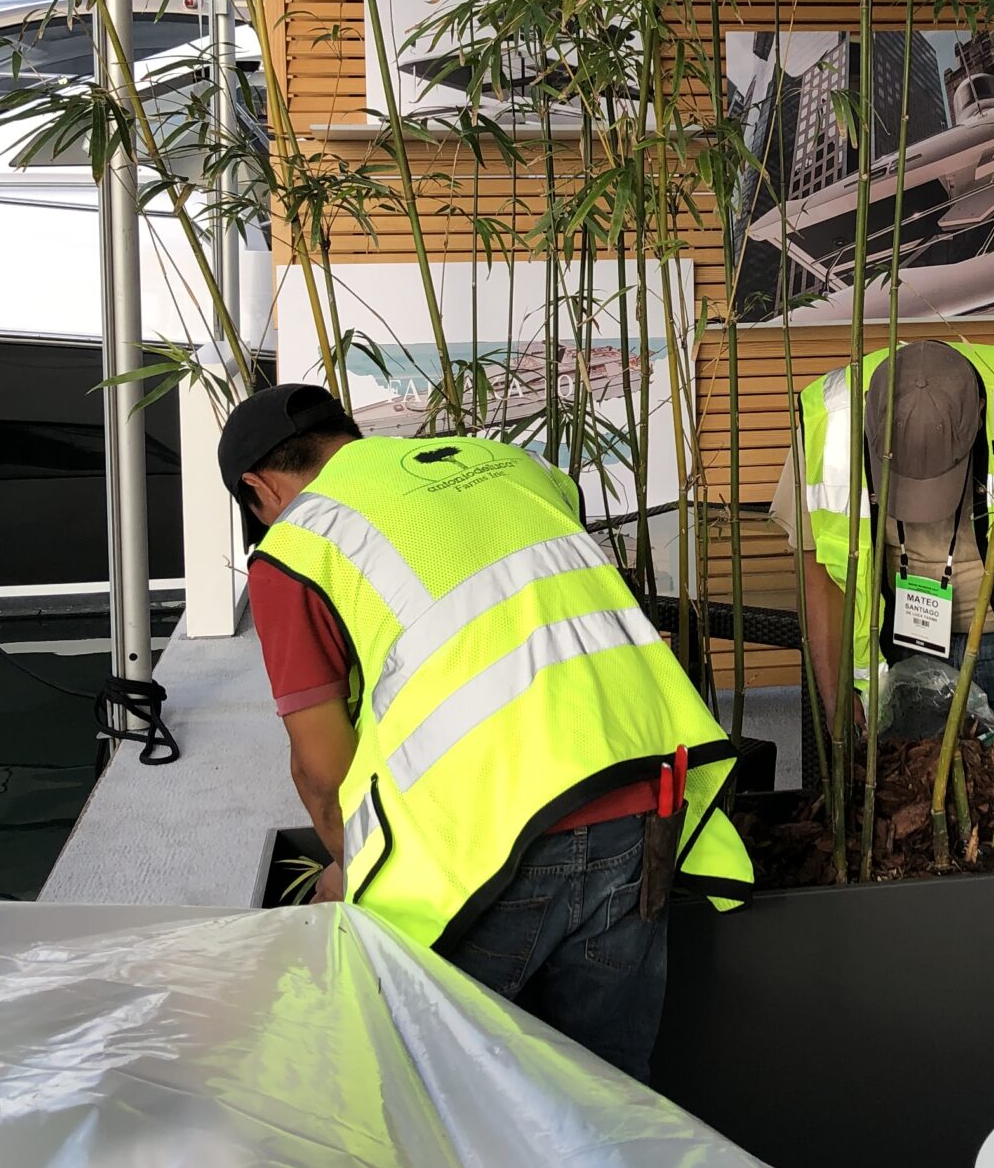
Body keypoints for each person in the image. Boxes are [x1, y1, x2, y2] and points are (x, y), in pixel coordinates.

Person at [219, 382, 751, 1082]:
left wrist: (353, 867)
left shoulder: (296, 545)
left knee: (450, 1097)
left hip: (489, 849)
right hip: (639, 799)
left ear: (258, 488)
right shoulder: (514, 466)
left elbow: (321, 769)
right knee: (610, 1094)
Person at [768, 340, 994, 772]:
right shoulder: (829, 422)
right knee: (911, 781)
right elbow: (817, 564)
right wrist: (835, 691)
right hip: (901, 636)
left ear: (977, 418)